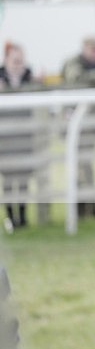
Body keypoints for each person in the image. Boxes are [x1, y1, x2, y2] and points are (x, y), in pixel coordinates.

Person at [61, 36, 95, 218]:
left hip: (92, 127)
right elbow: (76, 79)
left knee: (86, 168)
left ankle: (89, 209)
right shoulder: (74, 63)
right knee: (79, 169)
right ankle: (83, 210)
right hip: (75, 126)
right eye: (93, 49)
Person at [0, 42, 37, 231]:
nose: (18, 63)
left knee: (23, 179)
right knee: (7, 180)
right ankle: (9, 218)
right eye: (15, 59)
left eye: (20, 59)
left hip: (24, 137)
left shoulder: (29, 76)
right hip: (5, 139)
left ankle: (22, 217)